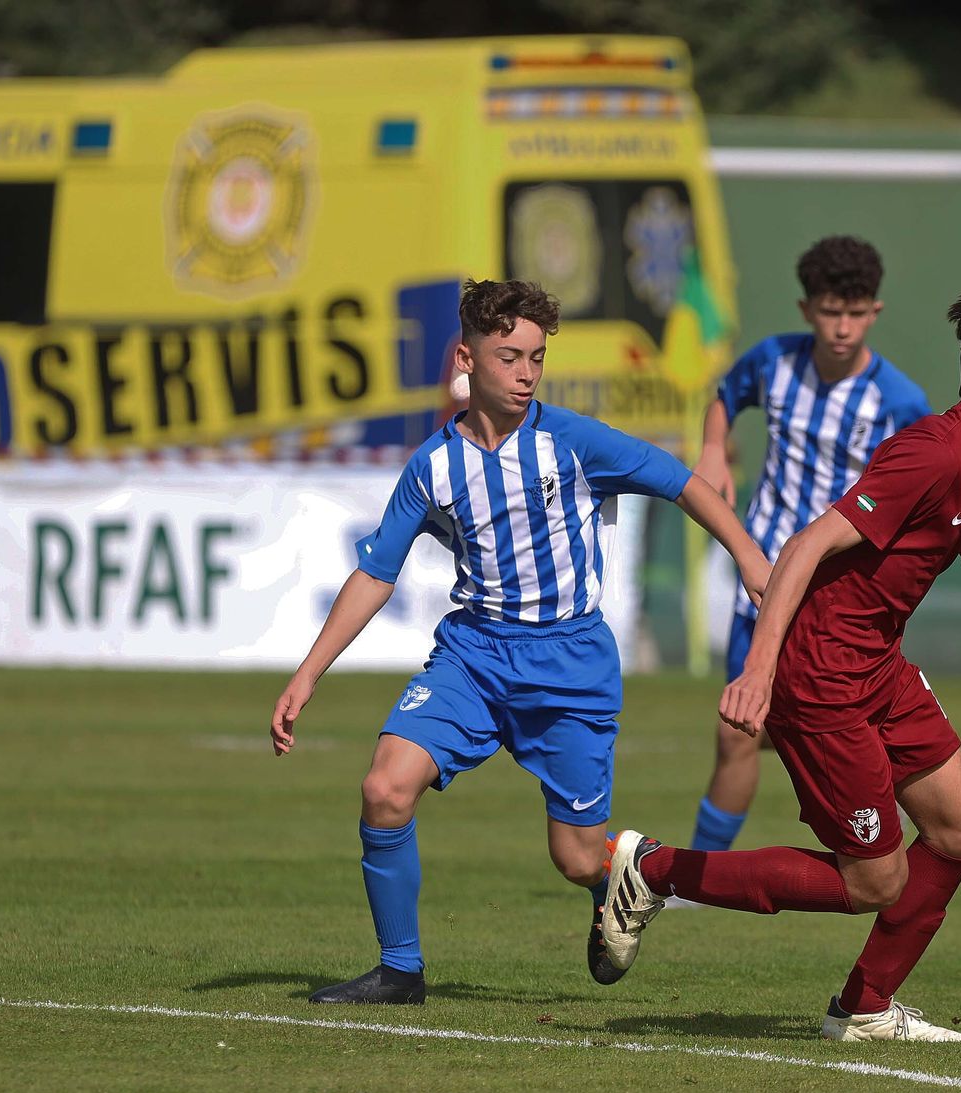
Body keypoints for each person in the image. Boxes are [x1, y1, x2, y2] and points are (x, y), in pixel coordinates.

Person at [599, 285, 961, 1040]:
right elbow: (804, 546)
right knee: (874, 879)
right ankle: (652, 870)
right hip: (820, 672)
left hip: (878, 666)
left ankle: (862, 1010)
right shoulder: (932, 452)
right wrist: (758, 673)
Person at [270, 278, 769, 1004]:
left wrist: (750, 560)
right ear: (467, 359)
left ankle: (619, 883)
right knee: (384, 789)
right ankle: (400, 970)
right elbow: (376, 574)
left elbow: (683, 484)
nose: (527, 372)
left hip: (569, 666)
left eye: (537, 357)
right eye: (510, 357)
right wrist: (307, 674)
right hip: (472, 659)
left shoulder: (571, 442)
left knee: (573, 857)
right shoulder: (433, 467)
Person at [685, 235, 929, 855]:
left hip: (838, 597)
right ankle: (702, 877)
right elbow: (724, 396)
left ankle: (889, 838)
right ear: (806, 309)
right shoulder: (773, 362)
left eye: (854, 312)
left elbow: (932, 475)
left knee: (836, 729)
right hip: (761, 579)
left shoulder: (897, 401)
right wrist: (716, 449)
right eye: (829, 311)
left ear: (874, 312)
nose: (841, 327)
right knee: (736, 733)